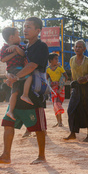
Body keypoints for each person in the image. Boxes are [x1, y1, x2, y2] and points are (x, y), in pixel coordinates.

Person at [0, 17, 48, 164]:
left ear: (38, 30)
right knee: (8, 123)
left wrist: (14, 77)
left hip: (33, 92)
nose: (25, 29)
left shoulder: (41, 46)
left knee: (39, 127)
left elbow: (32, 65)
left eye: (29, 27)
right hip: (18, 91)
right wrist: (10, 75)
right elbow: (11, 64)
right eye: (24, 26)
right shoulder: (24, 46)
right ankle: (6, 155)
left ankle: (41, 156)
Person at [64, 40, 88, 142]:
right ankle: (72, 133)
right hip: (76, 88)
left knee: (85, 110)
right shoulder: (72, 59)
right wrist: (73, 86)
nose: (77, 48)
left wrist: (85, 78)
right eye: (76, 46)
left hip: (86, 88)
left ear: (84, 49)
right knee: (71, 110)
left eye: (80, 47)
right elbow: (73, 75)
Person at [0, 27, 33, 121]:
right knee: (29, 77)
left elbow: (23, 54)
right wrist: (14, 53)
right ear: (11, 37)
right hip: (14, 70)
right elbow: (3, 59)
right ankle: (25, 95)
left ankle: (10, 111)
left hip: (17, 70)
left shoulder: (20, 46)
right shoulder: (4, 48)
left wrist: (15, 48)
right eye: (18, 35)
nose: (20, 37)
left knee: (14, 92)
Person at [46, 53, 68, 127]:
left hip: (60, 88)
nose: (57, 60)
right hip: (53, 89)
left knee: (57, 104)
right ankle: (59, 121)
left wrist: (61, 85)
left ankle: (60, 121)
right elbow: (47, 78)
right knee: (55, 104)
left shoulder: (60, 68)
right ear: (51, 60)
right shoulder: (48, 69)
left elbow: (66, 76)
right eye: (56, 59)